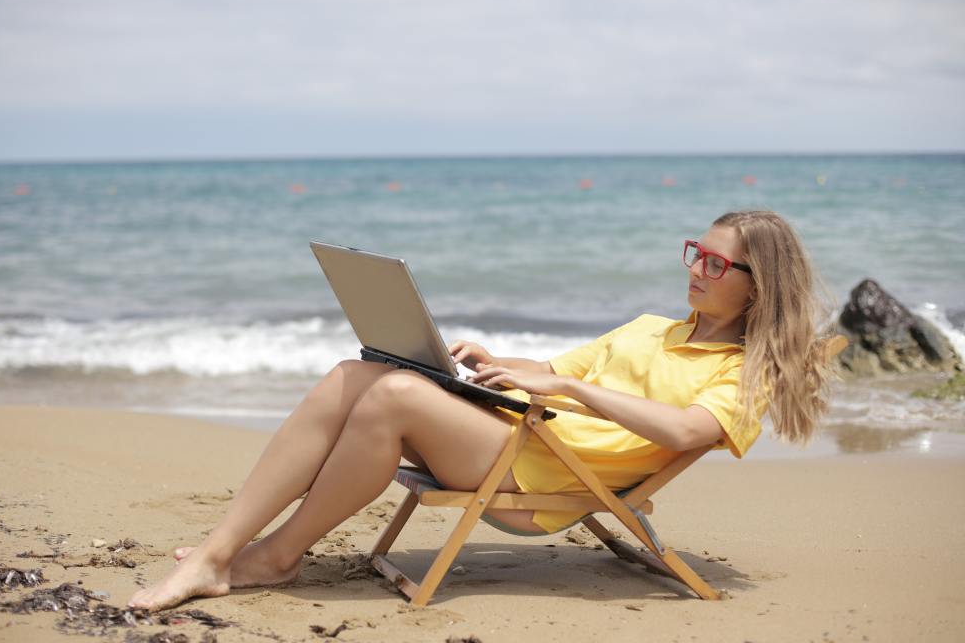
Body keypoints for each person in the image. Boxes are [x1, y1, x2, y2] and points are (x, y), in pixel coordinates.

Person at [128, 209, 834, 611]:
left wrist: (574, 394)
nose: (695, 272)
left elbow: (684, 431)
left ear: (758, 284)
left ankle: (269, 556)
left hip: (542, 482)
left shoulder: (747, 372)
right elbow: (550, 373)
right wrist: (487, 362)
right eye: (694, 255)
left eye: (715, 265)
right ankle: (231, 548)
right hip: (512, 435)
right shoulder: (651, 328)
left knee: (396, 395)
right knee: (356, 372)